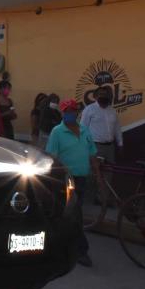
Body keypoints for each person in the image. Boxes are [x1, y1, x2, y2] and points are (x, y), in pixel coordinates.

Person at [46, 99, 101, 268]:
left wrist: (98, 175)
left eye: (73, 110)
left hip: (82, 178)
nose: (70, 113)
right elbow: (51, 157)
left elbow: (92, 154)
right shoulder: (57, 132)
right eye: (67, 111)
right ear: (63, 113)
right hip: (65, 179)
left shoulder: (85, 131)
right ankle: (81, 250)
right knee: (75, 213)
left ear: (78, 112)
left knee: (71, 214)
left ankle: (60, 245)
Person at [80, 86, 123, 164]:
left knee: (110, 171)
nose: (103, 95)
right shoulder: (89, 109)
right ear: (95, 96)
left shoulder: (112, 110)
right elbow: (82, 129)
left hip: (110, 147)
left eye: (105, 94)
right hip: (95, 147)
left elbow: (117, 128)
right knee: (96, 172)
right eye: (100, 94)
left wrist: (120, 143)